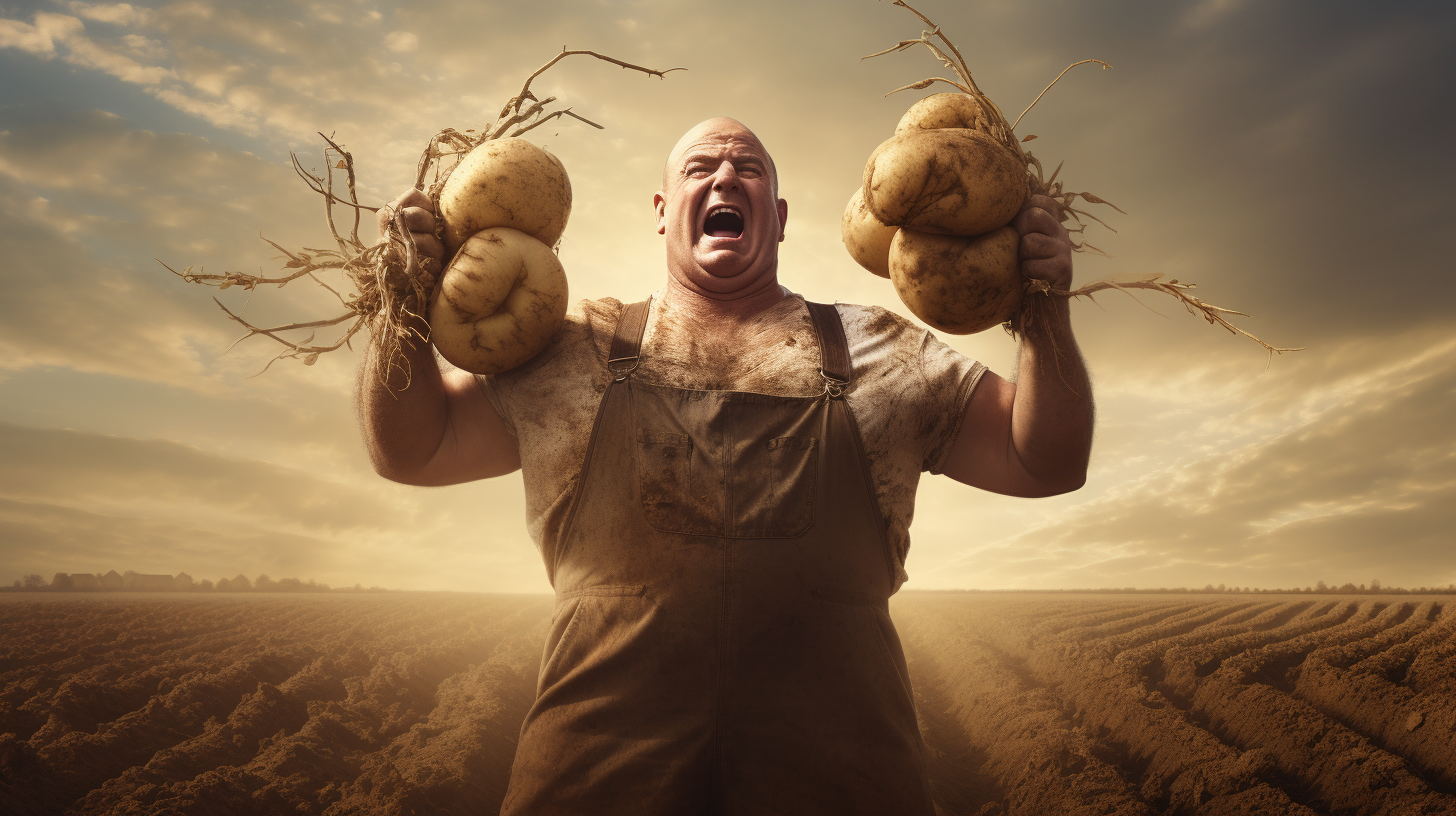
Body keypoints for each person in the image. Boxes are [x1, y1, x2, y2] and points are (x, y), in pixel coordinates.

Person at [359, 117, 1092, 815]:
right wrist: (402, 304)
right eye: (700, 167)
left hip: (842, 787)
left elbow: (1044, 460)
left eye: (747, 169)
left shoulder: (883, 350)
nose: (724, 179)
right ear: (662, 209)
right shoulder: (569, 349)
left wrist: (1043, 308)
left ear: (777, 213)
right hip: (593, 786)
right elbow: (413, 447)